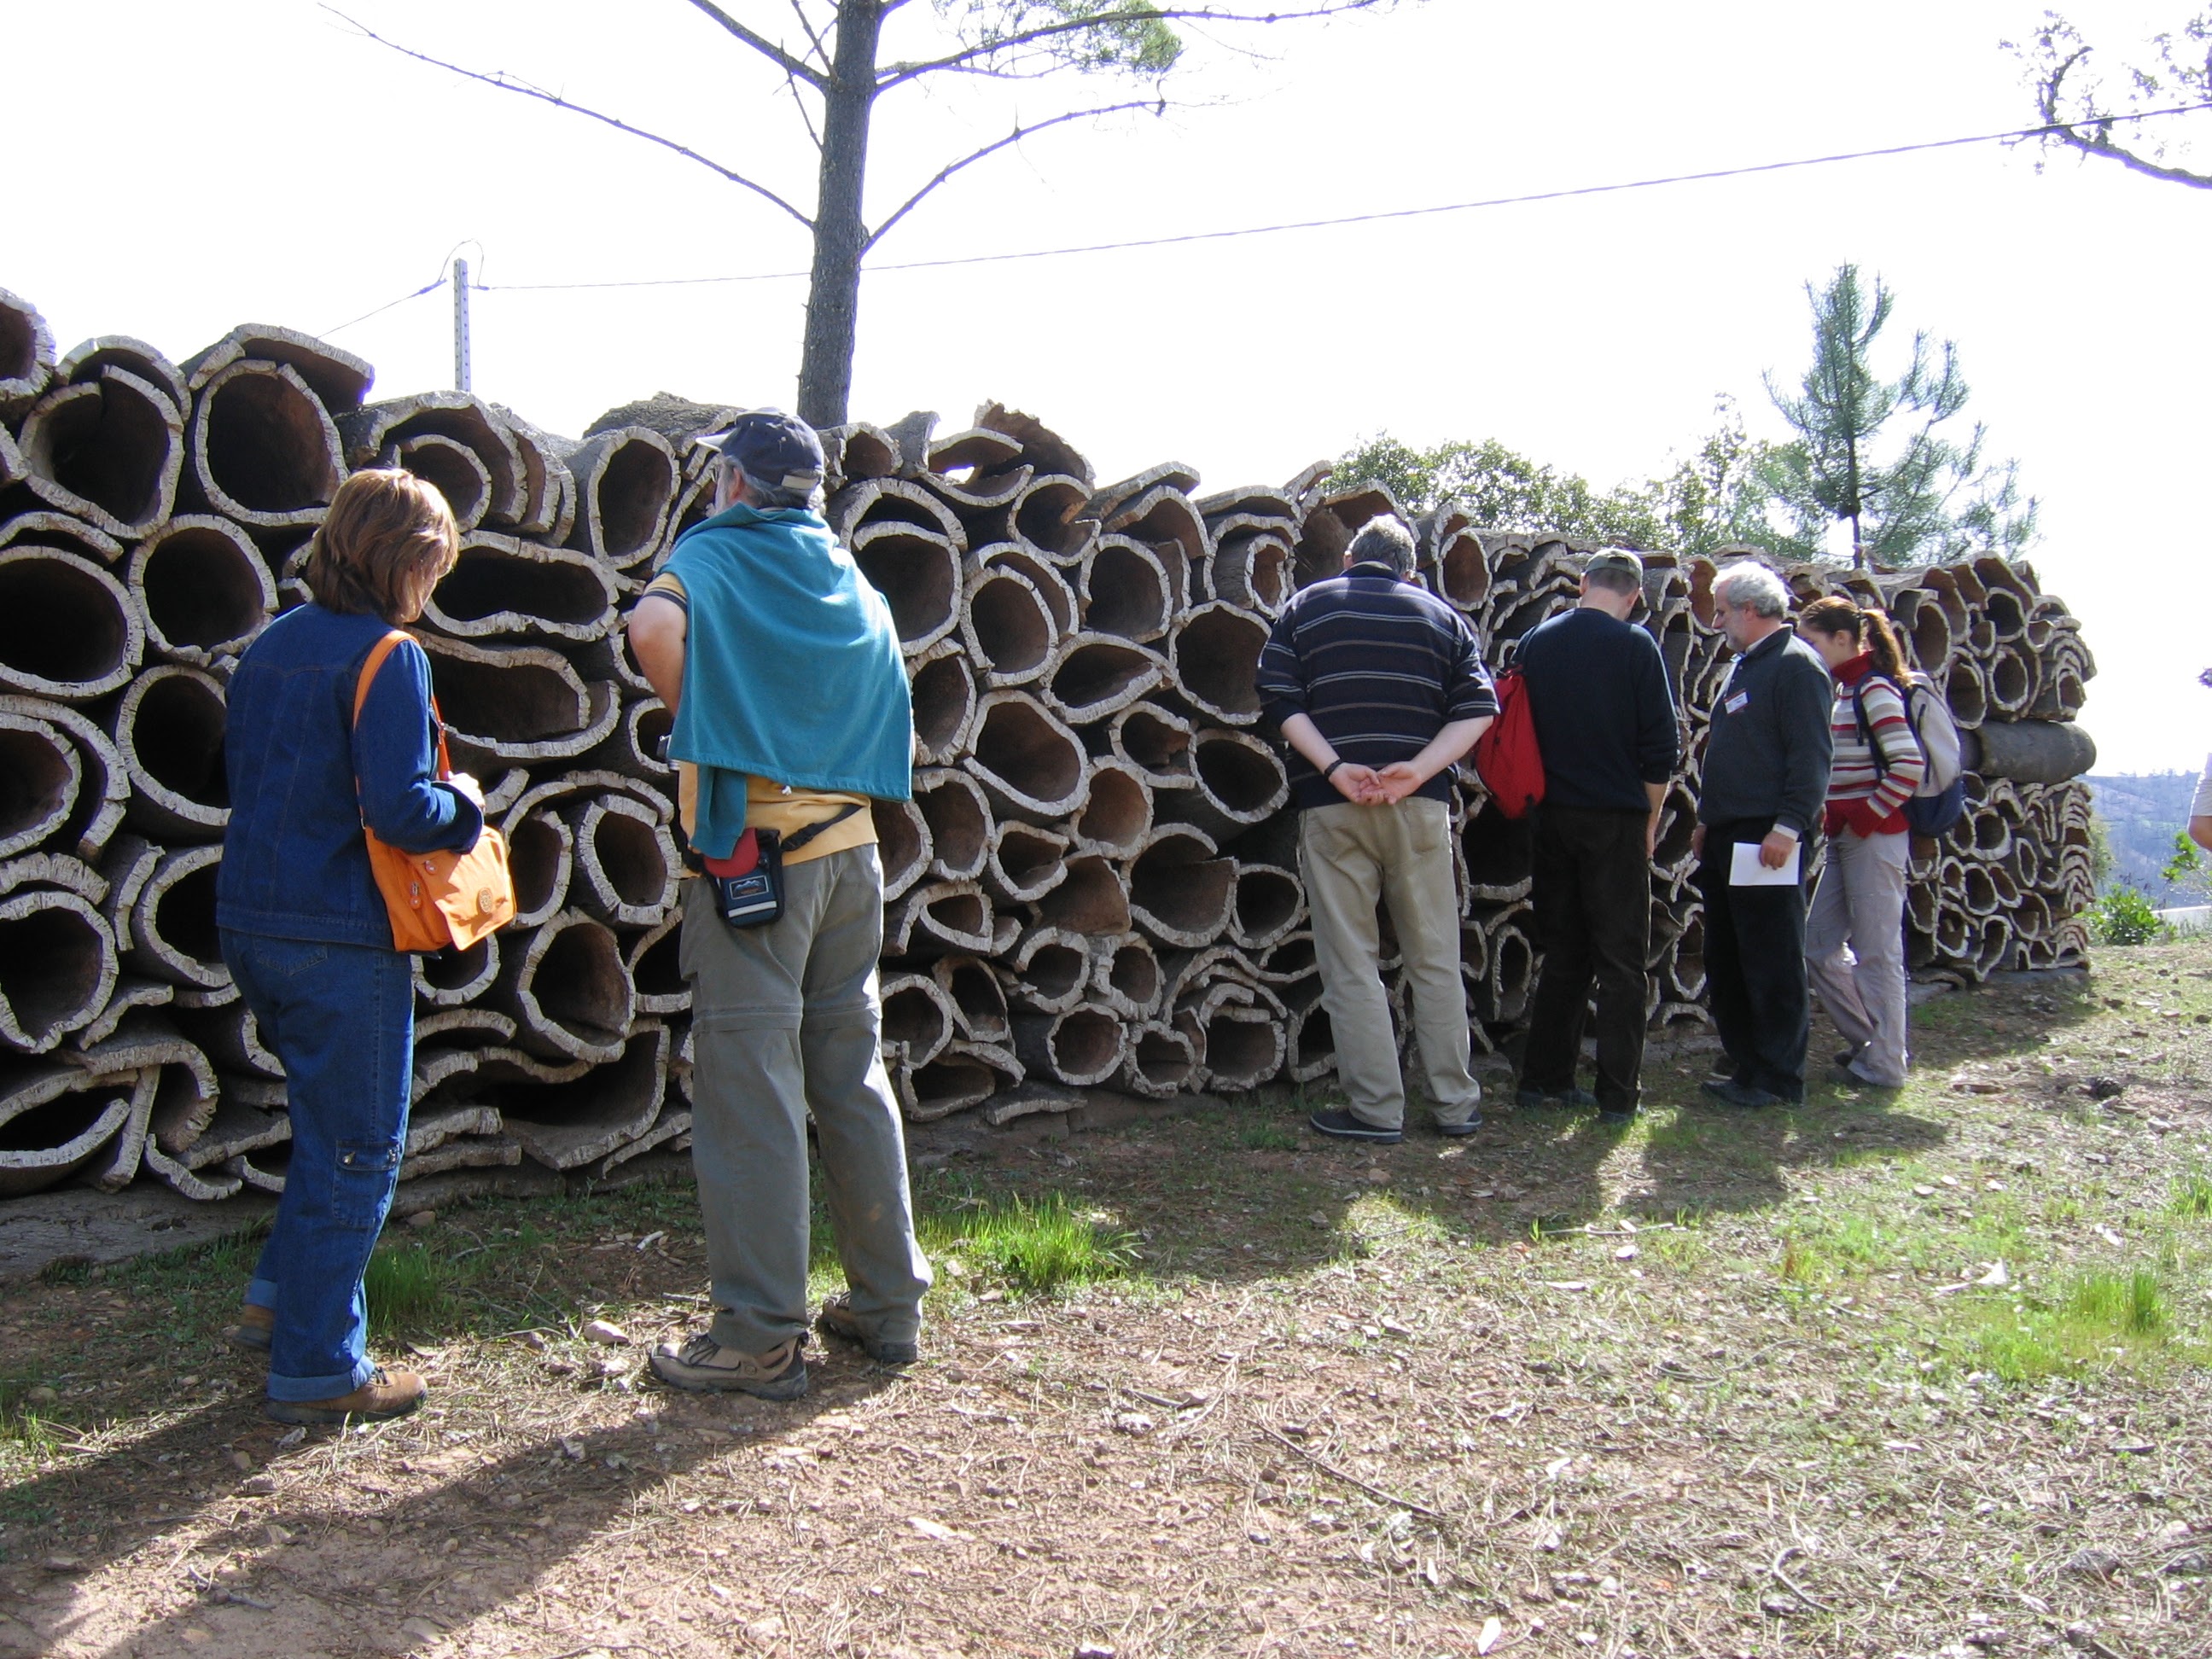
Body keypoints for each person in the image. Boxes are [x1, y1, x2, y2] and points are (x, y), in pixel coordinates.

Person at [626, 410, 929, 1401]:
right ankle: (889, 1309)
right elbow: (887, 679)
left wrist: (705, 715)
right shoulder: (843, 569)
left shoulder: (717, 551)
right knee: (850, 1072)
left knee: (751, 1086)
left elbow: (652, 627)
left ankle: (757, 1334)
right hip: (852, 856)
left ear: (731, 483)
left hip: (759, 856)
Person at [215, 469, 485, 1424]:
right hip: (342, 934)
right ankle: (322, 1367)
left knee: (325, 1128)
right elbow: (405, 808)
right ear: (405, 561)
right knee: (361, 1147)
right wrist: (469, 809)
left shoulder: (270, 646)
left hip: (251, 921)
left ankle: (277, 1301)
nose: (436, 583)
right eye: (435, 563)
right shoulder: (390, 655)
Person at [1254, 515, 1497, 1144]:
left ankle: (1376, 1111)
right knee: (1435, 955)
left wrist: (1335, 768)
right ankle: (1454, 1104)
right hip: (1417, 805)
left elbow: (1278, 697)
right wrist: (1414, 773)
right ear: (1409, 569)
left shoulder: (1306, 607)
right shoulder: (1443, 618)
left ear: (1348, 556)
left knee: (1351, 961)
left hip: (1333, 804)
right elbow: (1478, 710)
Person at [1512, 551, 1681, 1124]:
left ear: (1582, 584)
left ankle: (1543, 1080)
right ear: (1634, 596)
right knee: (1621, 961)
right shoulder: (1637, 647)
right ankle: (1617, 1094)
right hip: (1614, 819)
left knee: (1563, 952)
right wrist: (1651, 820)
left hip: (1550, 815)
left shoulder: (1535, 641)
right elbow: (1661, 749)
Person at [1693, 562, 1833, 1109]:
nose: (1718, 620)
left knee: (1771, 955)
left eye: (1724, 610)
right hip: (1731, 832)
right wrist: (1706, 819)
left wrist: (1788, 826)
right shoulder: (1747, 666)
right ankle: (1746, 1064)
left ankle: (1778, 1076)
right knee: (1729, 952)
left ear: (1751, 610)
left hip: (1767, 836)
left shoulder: (1797, 668)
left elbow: (1811, 759)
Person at [1796, 597, 1927, 1088]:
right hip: (1849, 837)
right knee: (1817, 944)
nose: (1808, 652)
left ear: (1843, 640)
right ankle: (1869, 1043)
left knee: (1877, 952)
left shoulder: (1872, 689)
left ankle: (1888, 1062)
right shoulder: (1845, 689)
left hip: (1873, 840)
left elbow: (1908, 765)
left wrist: (1866, 816)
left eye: (1813, 642)